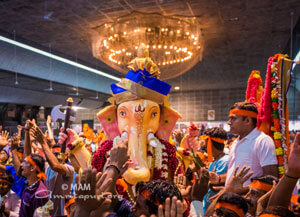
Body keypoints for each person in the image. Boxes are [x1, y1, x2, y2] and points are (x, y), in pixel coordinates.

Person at [226, 102, 278, 185]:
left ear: (247, 121)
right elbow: (233, 174)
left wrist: (240, 190)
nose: (229, 122)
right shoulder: (235, 142)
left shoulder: (262, 141)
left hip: (248, 197)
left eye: (233, 118)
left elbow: (271, 178)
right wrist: (218, 179)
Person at [31, 125, 74, 217]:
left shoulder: (69, 168)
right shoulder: (46, 166)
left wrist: (43, 142)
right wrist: (27, 135)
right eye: (54, 154)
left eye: (59, 154)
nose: (56, 157)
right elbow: (29, 160)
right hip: (45, 213)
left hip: (60, 214)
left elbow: (56, 166)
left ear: (66, 156)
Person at [203, 127, 229, 213]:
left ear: (210, 144)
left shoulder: (224, 161)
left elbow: (215, 186)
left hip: (215, 209)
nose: (204, 145)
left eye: (206, 142)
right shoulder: (215, 160)